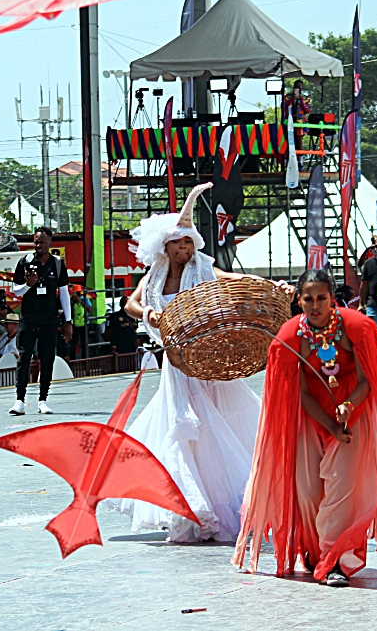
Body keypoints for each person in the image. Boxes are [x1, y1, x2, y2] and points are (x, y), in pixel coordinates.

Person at [234, 269, 377, 587]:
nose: (315, 306)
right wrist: (330, 422)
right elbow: (299, 393)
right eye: (308, 299)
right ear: (298, 300)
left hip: (354, 415)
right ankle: (318, 555)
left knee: (343, 490)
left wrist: (348, 410)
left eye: (321, 298)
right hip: (312, 417)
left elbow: (367, 379)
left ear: (333, 298)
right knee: (309, 492)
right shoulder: (291, 339)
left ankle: (335, 562)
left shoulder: (356, 328)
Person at [107, 182, 274, 542]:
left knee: (216, 427)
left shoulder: (203, 269)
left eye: (187, 242)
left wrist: (265, 284)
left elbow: (231, 279)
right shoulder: (154, 276)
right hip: (175, 362)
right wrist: (148, 313)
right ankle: (192, 506)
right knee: (186, 429)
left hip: (208, 359)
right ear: (165, 247)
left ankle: (229, 504)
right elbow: (130, 304)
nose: (183, 249)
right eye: (177, 243)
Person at [9, 226, 72, 415]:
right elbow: (16, 291)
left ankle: (43, 400)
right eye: (36, 241)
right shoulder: (25, 262)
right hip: (28, 319)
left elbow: (64, 294)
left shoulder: (57, 264)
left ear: (50, 243)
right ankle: (19, 400)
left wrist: (68, 321)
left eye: (42, 242)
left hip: (49, 320)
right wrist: (29, 285)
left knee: (47, 359)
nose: (38, 245)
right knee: (24, 357)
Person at [282, 79, 312, 152]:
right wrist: (292, 99)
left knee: (299, 142)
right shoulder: (287, 97)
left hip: (300, 122)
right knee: (288, 141)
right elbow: (284, 108)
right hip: (289, 120)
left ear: (302, 88)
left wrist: (301, 101)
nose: (298, 88)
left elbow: (308, 110)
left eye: (299, 87)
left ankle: (300, 161)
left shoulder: (306, 98)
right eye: (296, 87)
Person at [68, 285, 92, 359]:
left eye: (78, 293)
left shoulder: (85, 299)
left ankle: (85, 359)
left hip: (84, 324)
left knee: (84, 343)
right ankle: (72, 360)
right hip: (74, 324)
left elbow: (89, 309)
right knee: (73, 343)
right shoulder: (70, 300)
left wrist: (80, 301)